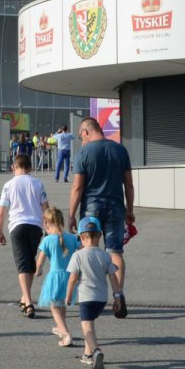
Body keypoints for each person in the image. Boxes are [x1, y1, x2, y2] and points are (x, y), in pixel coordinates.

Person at [68, 116, 135, 319]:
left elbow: (78, 187)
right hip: (116, 207)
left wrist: (71, 214)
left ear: (87, 132)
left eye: (81, 135)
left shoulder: (84, 153)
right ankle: (118, 294)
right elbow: (128, 184)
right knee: (115, 253)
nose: (82, 140)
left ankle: (88, 296)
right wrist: (129, 210)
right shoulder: (120, 150)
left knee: (87, 252)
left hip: (91, 209)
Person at [0, 153, 49, 318]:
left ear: (14, 167)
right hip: (35, 227)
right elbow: (46, 208)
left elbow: (1, 212)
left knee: (22, 264)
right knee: (30, 263)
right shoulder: (38, 183)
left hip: (17, 226)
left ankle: (28, 302)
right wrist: (49, 227)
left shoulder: (8, 185)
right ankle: (24, 298)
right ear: (30, 167)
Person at [66, 217, 117, 369]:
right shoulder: (105, 255)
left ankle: (96, 351)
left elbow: (73, 278)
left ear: (81, 237)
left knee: (87, 329)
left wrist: (68, 296)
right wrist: (118, 296)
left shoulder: (78, 255)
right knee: (90, 325)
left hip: (86, 299)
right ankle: (87, 354)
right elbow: (113, 277)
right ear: (100, 235)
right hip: (101, 299)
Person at [36, 207, 80, 346]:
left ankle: (66, 335)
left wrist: (38, 271)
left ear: (46, 223)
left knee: (54, 307)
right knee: (62, 305)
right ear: (61, 221)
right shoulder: (72, 238)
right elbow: (82, 249)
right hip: (69, 276)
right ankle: (61, 329)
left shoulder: (48, 240)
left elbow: (40, 262)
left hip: (55, 277)